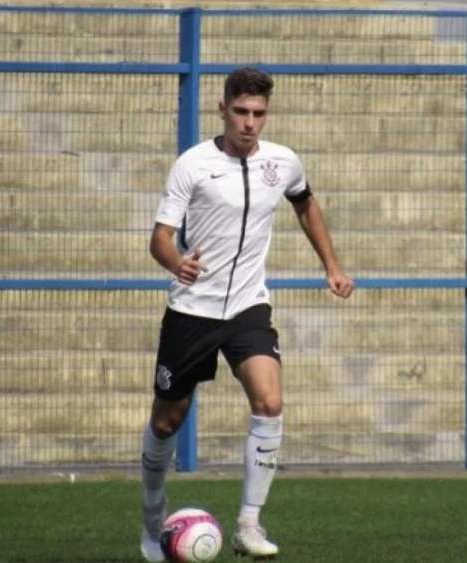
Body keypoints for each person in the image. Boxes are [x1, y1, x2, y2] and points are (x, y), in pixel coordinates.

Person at [139, 66, 354, 562]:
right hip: (192, 310)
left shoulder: (283, 162)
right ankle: (153, 520)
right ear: (222, 109)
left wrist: (333, 266)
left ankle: (249, 524)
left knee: (270, 401)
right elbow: (160, 239)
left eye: (258, 113)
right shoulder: (192, 165)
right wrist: (177, 263)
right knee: (168, 422)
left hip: (248, 307)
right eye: (240, 112)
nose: (249, 122)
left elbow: (305, 203)